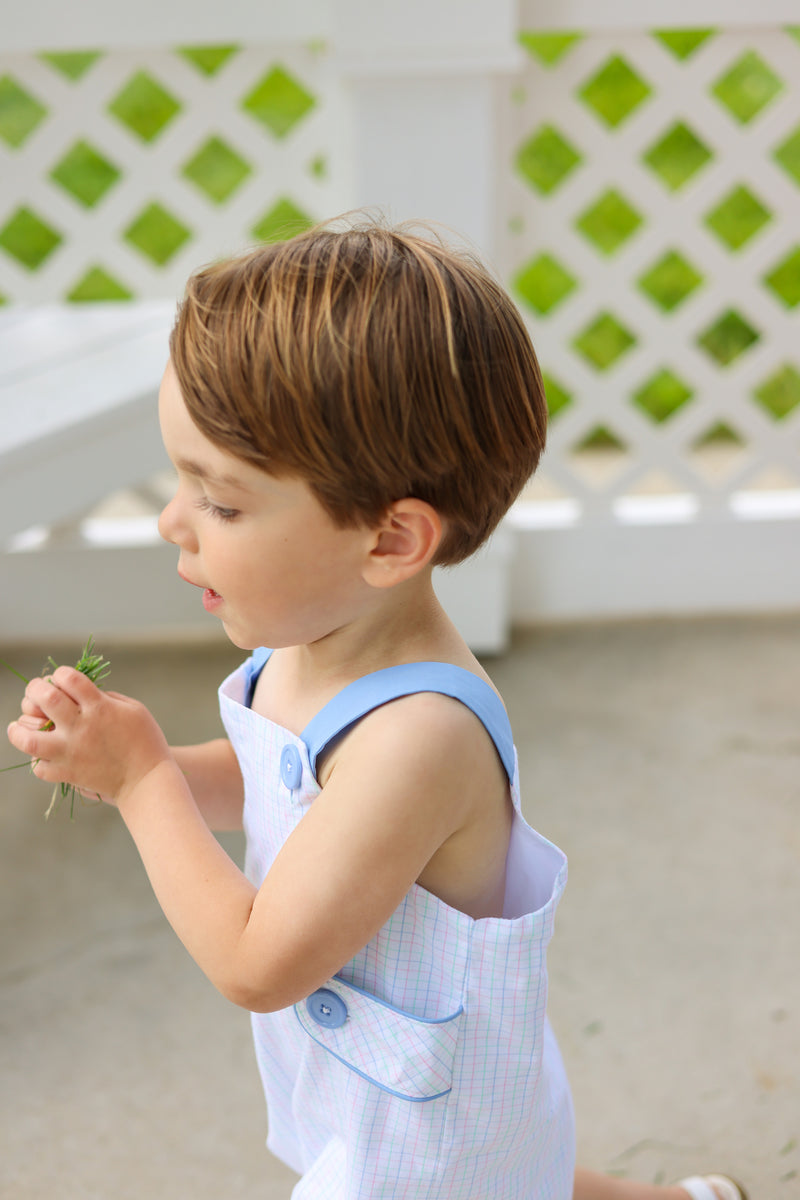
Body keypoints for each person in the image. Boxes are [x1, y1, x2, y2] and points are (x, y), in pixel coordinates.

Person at [7, 221, 746, 1200]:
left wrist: (145, 783)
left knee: (490, 1181)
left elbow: (256, 963)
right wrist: (138, 766)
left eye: (221, 503)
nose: (171, 520)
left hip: (421, 1139)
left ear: (390, 542)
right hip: (394, 1087)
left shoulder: (419, 738)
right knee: (514, 1177)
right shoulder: (312, 640)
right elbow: (279, 785)